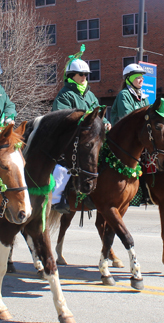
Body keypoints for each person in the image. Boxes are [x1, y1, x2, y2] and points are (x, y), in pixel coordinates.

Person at [50, 45, 111, 213]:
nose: (84, 77)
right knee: (62, 166)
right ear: (71, 76)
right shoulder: (65, 94)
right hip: (69, 139)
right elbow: (62, 117)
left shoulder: (89, 94)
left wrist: (105, 122)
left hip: (88, 138)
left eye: (86, 75)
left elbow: (98, 112)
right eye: (81, 74)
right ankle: (56, 198)